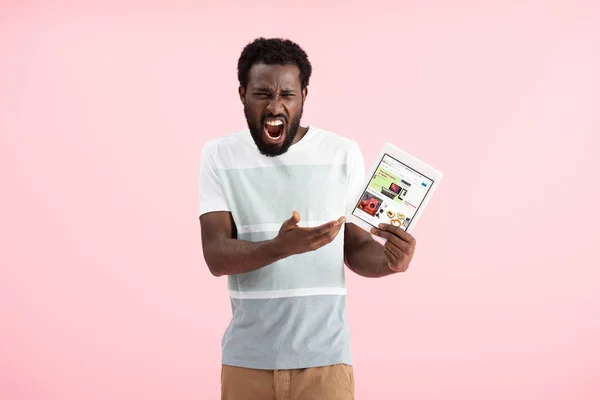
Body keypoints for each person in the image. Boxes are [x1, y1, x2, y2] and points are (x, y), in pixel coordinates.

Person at [198, 37, 417, 400]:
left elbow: (357, 247)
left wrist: (390, 261)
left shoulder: (342, 154)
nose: (275, 105)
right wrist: (280, 247)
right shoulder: (218, 155)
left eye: (287, 94)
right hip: (246, 361)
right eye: (262, 94)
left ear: (303, 95)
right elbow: (215, 254)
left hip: (325, 363)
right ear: (242, 94)